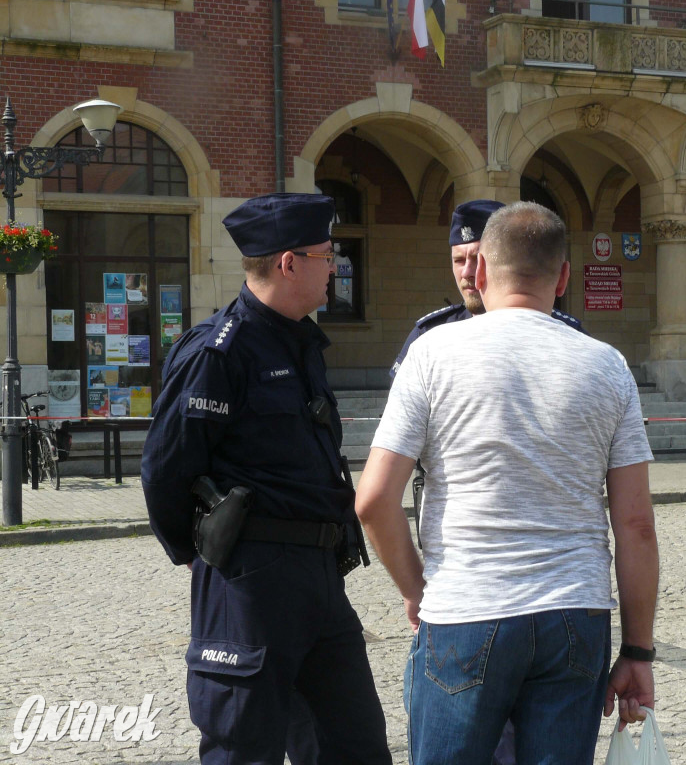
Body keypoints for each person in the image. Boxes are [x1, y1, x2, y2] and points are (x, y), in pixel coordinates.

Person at [356, 201, 659, 764]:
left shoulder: (431, 354)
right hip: (575, 613)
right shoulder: (607, 365)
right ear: (563, 277)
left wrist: (415, 589)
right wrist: (638, 648)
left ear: (484, 271)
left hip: (466, 607)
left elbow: (374, 499)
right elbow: (636, 525)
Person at [141, 193, 392, 765]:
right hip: (251, 581)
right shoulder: (219, 351)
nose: (336, 266)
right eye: (327, 255)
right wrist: (202, 554)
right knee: (244, 746)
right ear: (288, 262)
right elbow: (164, 467)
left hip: (321, 579)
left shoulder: (301, 341)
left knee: (354, 745)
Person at [390, 199, 582, 380]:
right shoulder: (428, 334)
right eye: (459, 260)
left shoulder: (568, 334)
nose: (467, 272)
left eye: (476, 259)